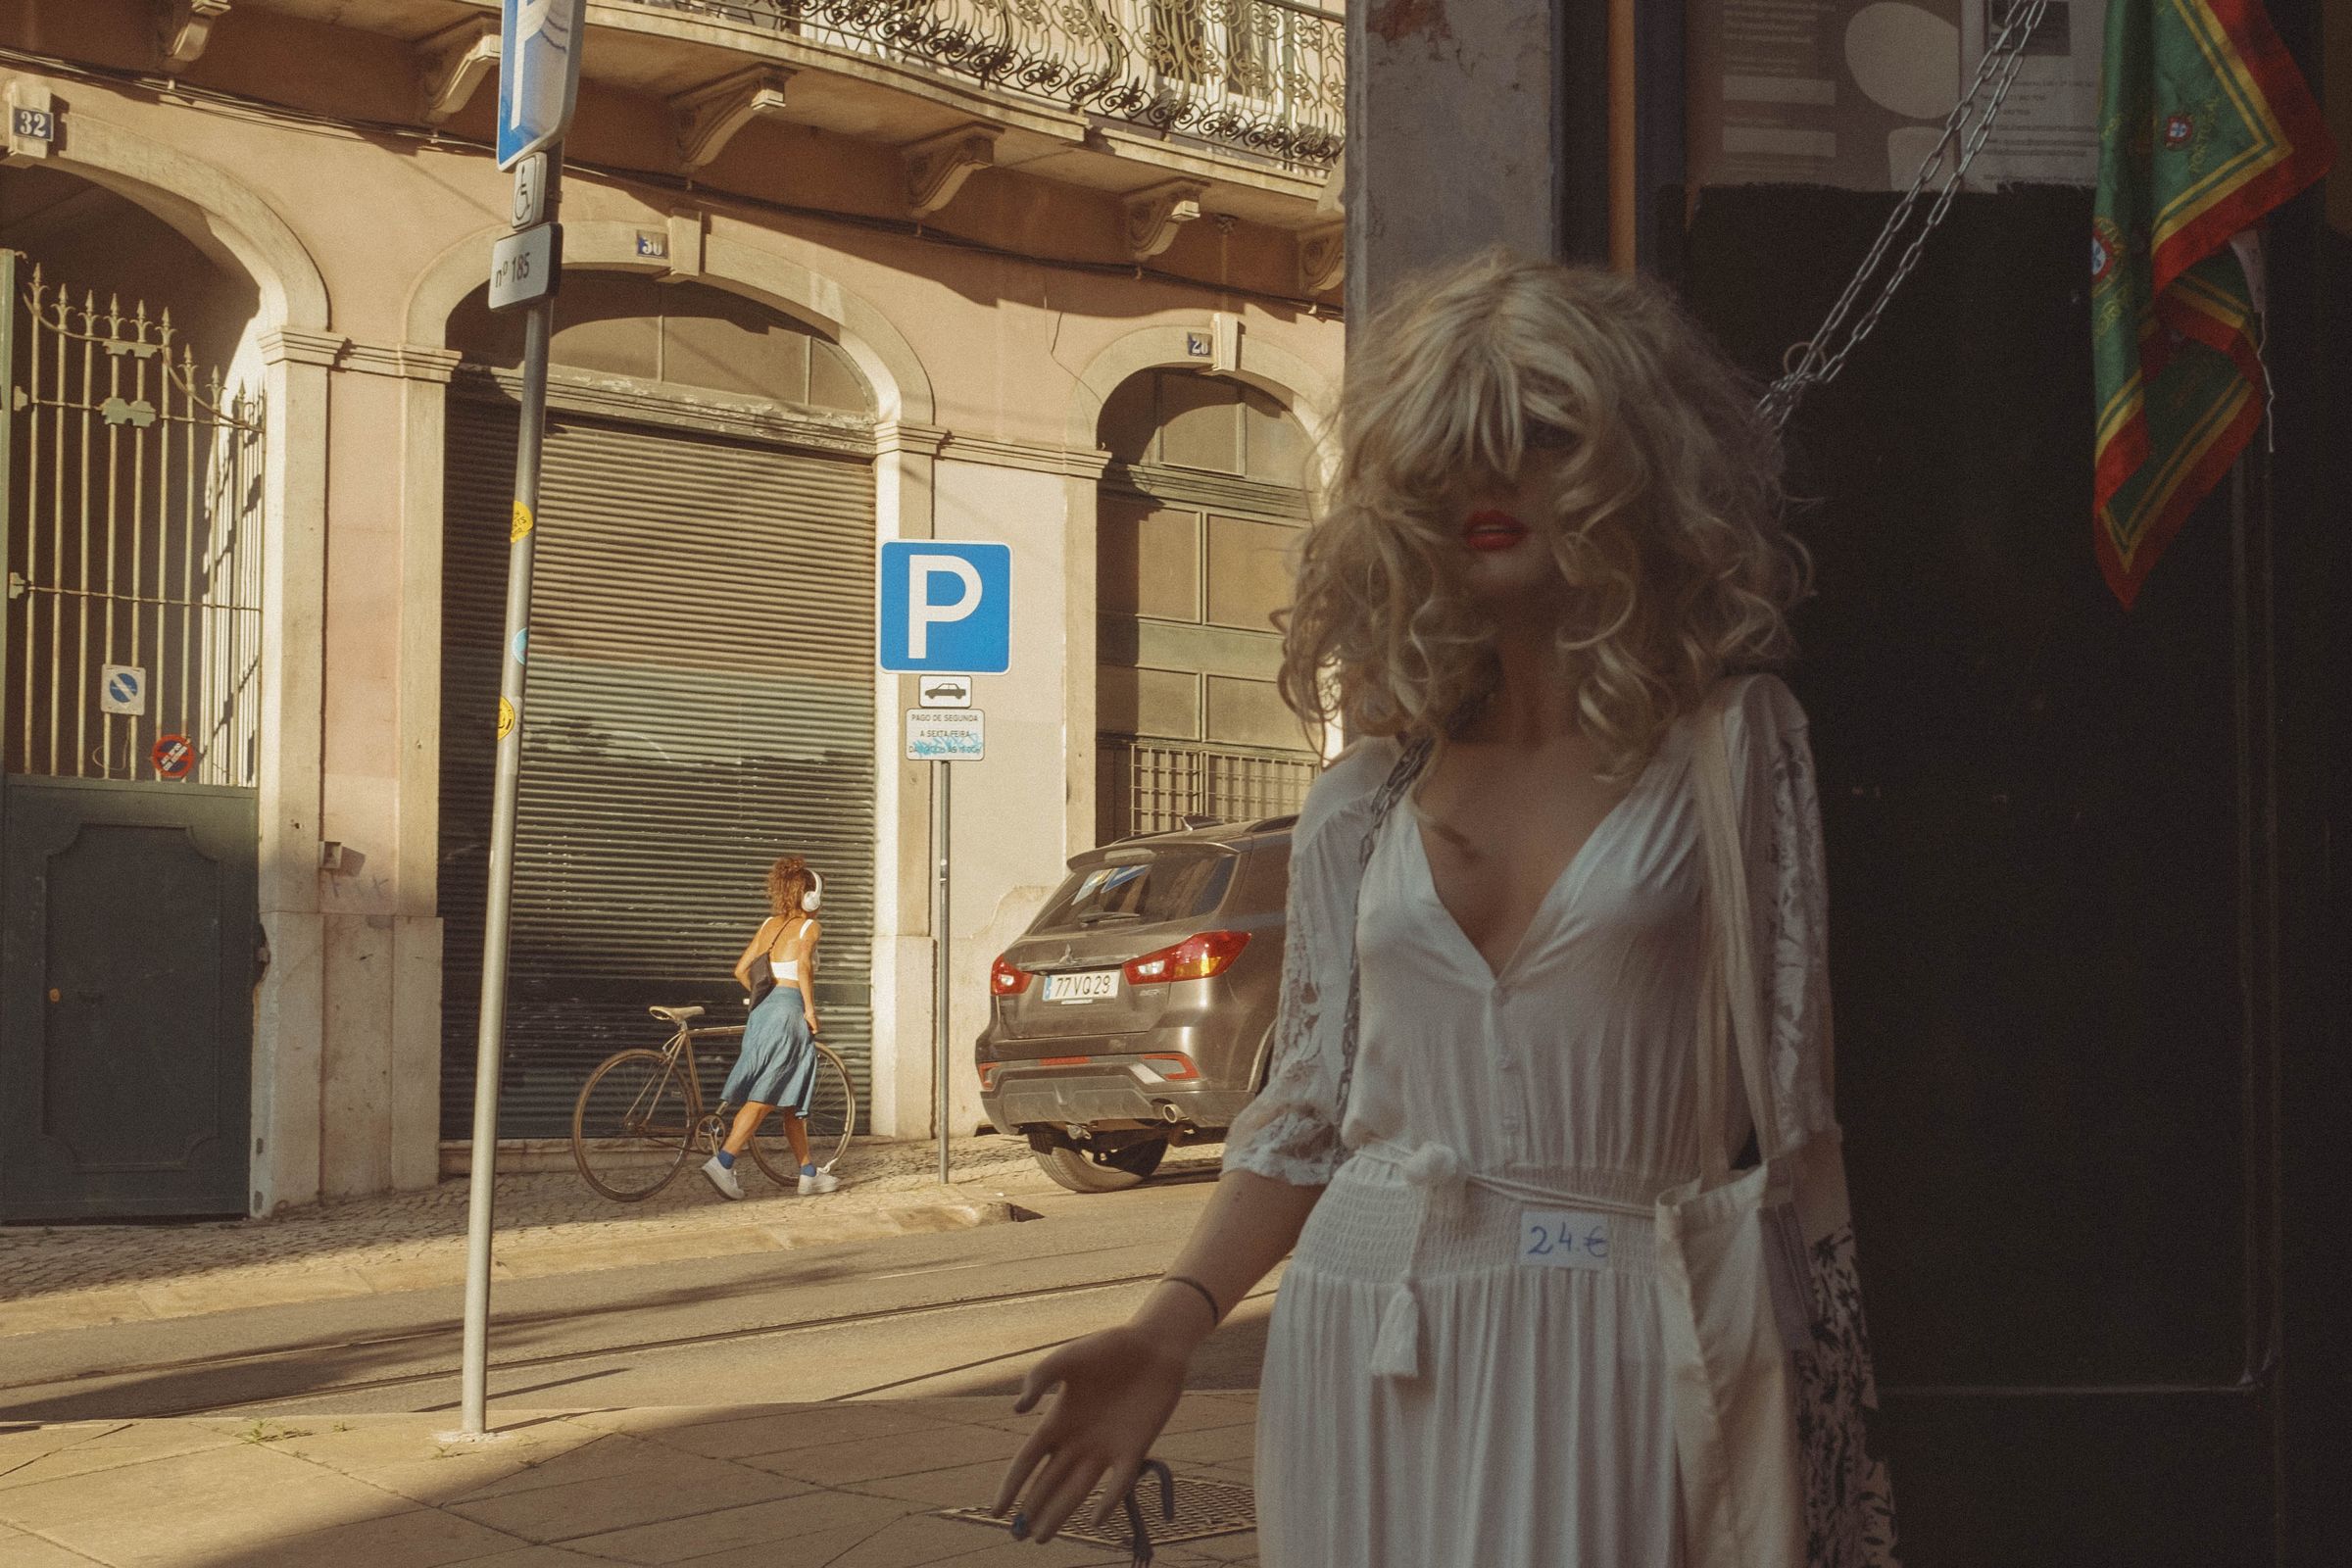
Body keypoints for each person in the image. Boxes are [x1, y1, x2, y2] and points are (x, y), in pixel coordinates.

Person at [994, 253, 1894, 1566]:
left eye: (1540, 436)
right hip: (1365, 1325)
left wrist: (1827, 1440)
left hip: (1624, 1328)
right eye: (1451, 449)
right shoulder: (1365, 798)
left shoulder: (1734, 749)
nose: (1490, 480)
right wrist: (1169, 1326)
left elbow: (1797, 1123)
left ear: (1636, 463)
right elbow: (1302, 1116)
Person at [703, 855, 841, 1200]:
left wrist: (767, 996)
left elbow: (740, 970)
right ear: (811, 897)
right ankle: (724, 1160)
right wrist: (809, 1010)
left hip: (762, 1013)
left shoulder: (768, 925)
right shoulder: (810, 928)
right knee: (764, 1095)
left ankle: (808, 1173)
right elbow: (804, 966)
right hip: (789, 1016)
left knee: (790, 1095)